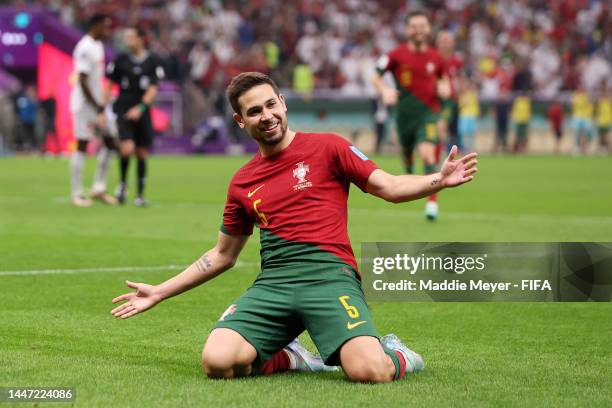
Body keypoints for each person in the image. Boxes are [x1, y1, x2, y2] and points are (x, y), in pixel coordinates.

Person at [111, 72, 478, 383]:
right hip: (275, 285)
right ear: (241, 121)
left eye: (271, 105)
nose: (267, 116)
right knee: (217, 362)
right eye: (254, 111)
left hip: (330, 278)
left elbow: (390, 187)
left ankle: (397, 353)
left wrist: (438, 181)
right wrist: (160, 291)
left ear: (283, 103)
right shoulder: (242, 182)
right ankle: (290, 356)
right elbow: (222, 255)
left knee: (369, 371)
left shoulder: (329, 147)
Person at [372, 10, 451, 221]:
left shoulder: (436, 57)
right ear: (407, 30)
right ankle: (409, 171)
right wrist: (384, 91)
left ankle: (432, 202)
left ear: (428, 29)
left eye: (422, 26)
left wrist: (445, 88)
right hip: (404, 116)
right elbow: (376, 75)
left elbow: (444, 79)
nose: (418, 30)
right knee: (407, 154)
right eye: (414, 26)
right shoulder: (395, 55)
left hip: (429, 114)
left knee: (427, 154)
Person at [105, 26, 164, 207]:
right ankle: (122, 185)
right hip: (123, 108)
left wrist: (140, 108)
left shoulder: (152, 61)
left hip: (142, 110)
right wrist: (102, 108)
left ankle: (140, 195)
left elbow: (153, 88)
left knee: (142, 152)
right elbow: (109, 84)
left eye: (130, 36)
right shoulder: (121, 60)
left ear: (141, 39)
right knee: (127, 149)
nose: (126, 40)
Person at [69, 14, 117, 207]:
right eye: (104, 27)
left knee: (110, 141)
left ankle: (98, 188)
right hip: (83, 105)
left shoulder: (98, 46)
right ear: (95, 26)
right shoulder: (85, 47)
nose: (107, 31)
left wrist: (101, 102)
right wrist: (96, 104)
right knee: (82, 144)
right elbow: (82, 79)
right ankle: (77, 193)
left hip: (97, 104)